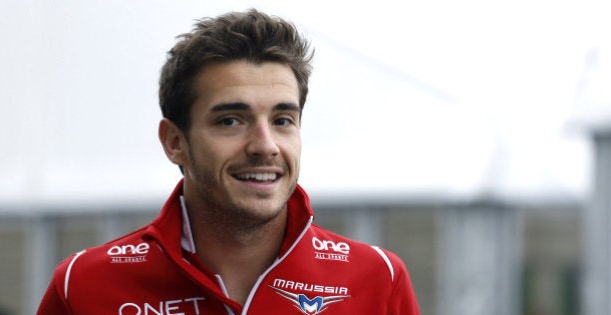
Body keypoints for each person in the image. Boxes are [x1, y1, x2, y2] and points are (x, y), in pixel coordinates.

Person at [37, 9, 420, 315]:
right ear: (174, 142)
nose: (264, 145)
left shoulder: (377, 278)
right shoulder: (84, 285)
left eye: (282, 120)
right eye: (230, 121)